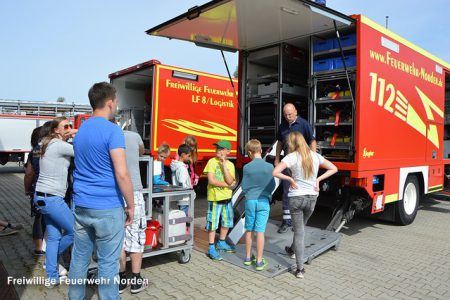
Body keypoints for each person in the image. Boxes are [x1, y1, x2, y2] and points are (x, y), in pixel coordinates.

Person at [69, 82, 135, 300]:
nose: (116, 106)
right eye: (115, 102)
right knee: (108, 262)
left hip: (82, 205)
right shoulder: (113, 131)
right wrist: (131, 205)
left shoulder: (81, 131)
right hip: (107, 207)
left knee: (79, 258)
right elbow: (122, 174)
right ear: (109, 103)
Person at [272, 132, 337, 278]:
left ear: (292, 144)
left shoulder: (291, 157)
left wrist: (290, 179)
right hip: (312, 198)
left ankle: (300, 269)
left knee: (299, 232)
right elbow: (334, 168)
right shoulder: (315, 155)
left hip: (296, 198)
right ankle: (292, 250)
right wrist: (318, 180)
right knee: (300, 229)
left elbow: (275, 172)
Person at [33, 117, 76, 286]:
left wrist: (70, 132)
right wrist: (77, 132)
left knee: (54, 237)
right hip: (52, 199)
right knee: (75, 232)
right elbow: (80, 150)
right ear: (56, 130)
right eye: (66, 126)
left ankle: (51, 277)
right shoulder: (58, 145)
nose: (69, 128)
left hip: (42, 197)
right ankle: (51, 262)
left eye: (70, 125)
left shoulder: (48, 143)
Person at [275, 103, 316, 233]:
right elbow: (280, 143)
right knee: (287, 192)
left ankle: (299, 222)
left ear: (295, 112)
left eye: (290, 114)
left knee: (302, 192)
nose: (287, 117)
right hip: (288, 163)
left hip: (302, 163)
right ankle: (286, 221)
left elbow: (312, 141)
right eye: (285, 114)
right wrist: (277, 158)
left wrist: (313, 158)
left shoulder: (304, 124)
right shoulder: (282, 126)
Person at [119, 130, 148, 294]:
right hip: (134, 191)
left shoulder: (104, 135)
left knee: (118, 237)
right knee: (136, 234)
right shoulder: (133, 135)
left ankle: (121, 280)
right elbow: (142, 151)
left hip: (113, 194)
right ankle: (136, 281)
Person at [241, 139, 275, 271]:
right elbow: (272, 185)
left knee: (249, 229)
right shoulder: (269, 167)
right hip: (263, 201)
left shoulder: (246, 167)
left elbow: (244, 186)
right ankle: (259, 262)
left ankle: (248, 258)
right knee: (260, 231)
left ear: (250, 152)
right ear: (260, 150)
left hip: (250, 201)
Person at [203, 139, 236, 261]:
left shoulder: (230, 165)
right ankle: (211, 247)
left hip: (227, 198)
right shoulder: (211, 162)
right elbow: (212, 180)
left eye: (221, 148)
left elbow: (230, 179)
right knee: (212, 223)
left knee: (226, 222)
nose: (218, 150)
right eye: (217, 147)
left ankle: (221, 242)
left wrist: (223, 165)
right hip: (215, 198)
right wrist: (228, 185)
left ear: (228, 151)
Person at [24, 122, 52, 255]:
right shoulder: (52, 148)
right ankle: (50, 246)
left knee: (39, 217)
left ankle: (38, 248)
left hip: (37, 188)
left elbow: (29, 173)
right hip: (53, 189)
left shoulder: (34, 151)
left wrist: (27, 189)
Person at [171, 144, 196, 216]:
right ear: (183, 155)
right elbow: (182, 184)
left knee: (182, 218)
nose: (189, 158)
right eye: (188, 156)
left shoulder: (176, 166)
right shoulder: (182, 168)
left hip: (180, 197)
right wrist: (190, 191)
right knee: (184, 220)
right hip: (184, 198)